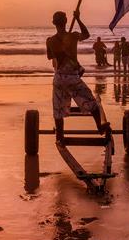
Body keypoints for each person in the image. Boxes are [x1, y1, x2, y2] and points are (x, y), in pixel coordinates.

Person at [46, 10, 111, 143]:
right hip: (72, 77)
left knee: (58, 108)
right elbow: (86, 34)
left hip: (59, 78)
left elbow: (50, 57)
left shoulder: (50, 41)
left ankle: (60, 136)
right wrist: (79, 19)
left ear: (54, 23)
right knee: (91, 102)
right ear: (66, 22)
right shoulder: (73, 36)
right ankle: (100, 127)